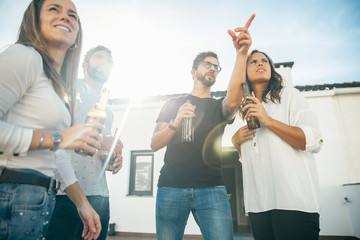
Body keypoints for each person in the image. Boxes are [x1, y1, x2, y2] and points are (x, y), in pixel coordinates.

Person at [0, 0, 103, 239]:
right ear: (34, 21)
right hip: (12, 192)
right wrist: (59, 137)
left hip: (40, 199)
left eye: (72, 15)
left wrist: (82, 204)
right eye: (54, 9)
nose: (65, 17)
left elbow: (54, 153)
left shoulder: (55, 85)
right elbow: (56, 142)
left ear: (76, 35)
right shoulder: (24, 56)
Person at [150, 14, 255, 240]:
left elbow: (234, 101)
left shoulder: (218, 107)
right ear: (193, 71)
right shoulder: (173, 104)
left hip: (212, 189)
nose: (213, 68)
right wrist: (175, 122)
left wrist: (242, 54)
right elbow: (154, 144)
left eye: (217, 67)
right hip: (171, 188)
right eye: (207, 64)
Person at [231, 49, 323, 240]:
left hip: (293, 203)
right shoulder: (246, 110)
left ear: (272, 70)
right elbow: (255, 160)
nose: (260, 63)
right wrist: (237, 144)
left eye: (264, 61)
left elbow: (314, 140)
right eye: (253, 61)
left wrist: (269, 121)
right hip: (258, 207)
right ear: (244, 72)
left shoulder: (290, 96)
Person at [47, 45, 123, 240]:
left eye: (108, 61)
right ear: (84, 64)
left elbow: (98, 148)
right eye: (99, 58)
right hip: (65, 195)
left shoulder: (108, 110)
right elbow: (51, 138)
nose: (104, 63)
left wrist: (112, 155)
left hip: (100, 196)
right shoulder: (67, 92)